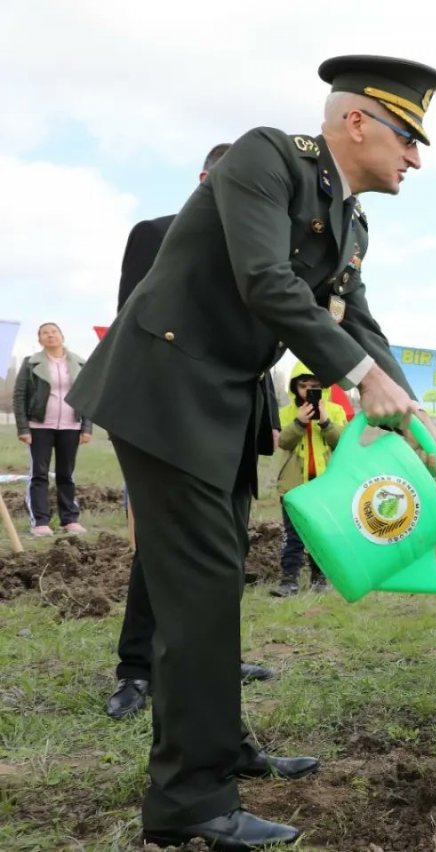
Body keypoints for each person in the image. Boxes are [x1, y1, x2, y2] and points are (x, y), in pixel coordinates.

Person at [68, 55, 436, 849]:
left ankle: (219, 743)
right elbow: (267, 284)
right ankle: (190, 803)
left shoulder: (348, 217)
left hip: (224, 405)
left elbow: (359, 321)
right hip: (168, 393)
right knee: (200, 593)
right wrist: (359, 379)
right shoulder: (264, 157)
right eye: (408, 136)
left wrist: (407, 405)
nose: (416, 156)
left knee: (211, 591)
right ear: (357, 122)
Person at [106, 143, 277, 723]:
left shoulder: (265, 246)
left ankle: (214, 660)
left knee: (226, 549)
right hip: (175, 418)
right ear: (206, 181)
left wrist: (269, 419)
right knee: (163, 548)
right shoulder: (155, 233)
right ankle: (135, 669)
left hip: (236, 418)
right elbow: (137, 323)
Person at [272, 362, 347, 596]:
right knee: (292, 535)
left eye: (315, 386)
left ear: (323, 387)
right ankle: (289, 581)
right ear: (295, 388)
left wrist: (324, 420)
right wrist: (299, 422)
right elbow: (283, 442)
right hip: (294, 485)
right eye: (303, 385)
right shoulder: (286, 413)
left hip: (324, 485)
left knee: (320, 533)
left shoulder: (335, 411)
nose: (308, 390)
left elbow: (341, 443)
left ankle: (319, 578)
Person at [12, 323, 92, 536]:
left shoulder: (80, 363)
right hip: (39, 427)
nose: (50, 336)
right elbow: (20, 396)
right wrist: (23, 427)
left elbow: (88, 397)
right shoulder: (31, 364)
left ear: (62, 336)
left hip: (71, 426)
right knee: (39, 474)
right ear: (40, 340)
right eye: (45, 333)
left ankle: (70, 519)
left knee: (66, 474)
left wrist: (86, 427)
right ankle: (40, 522)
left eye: (54, 332)